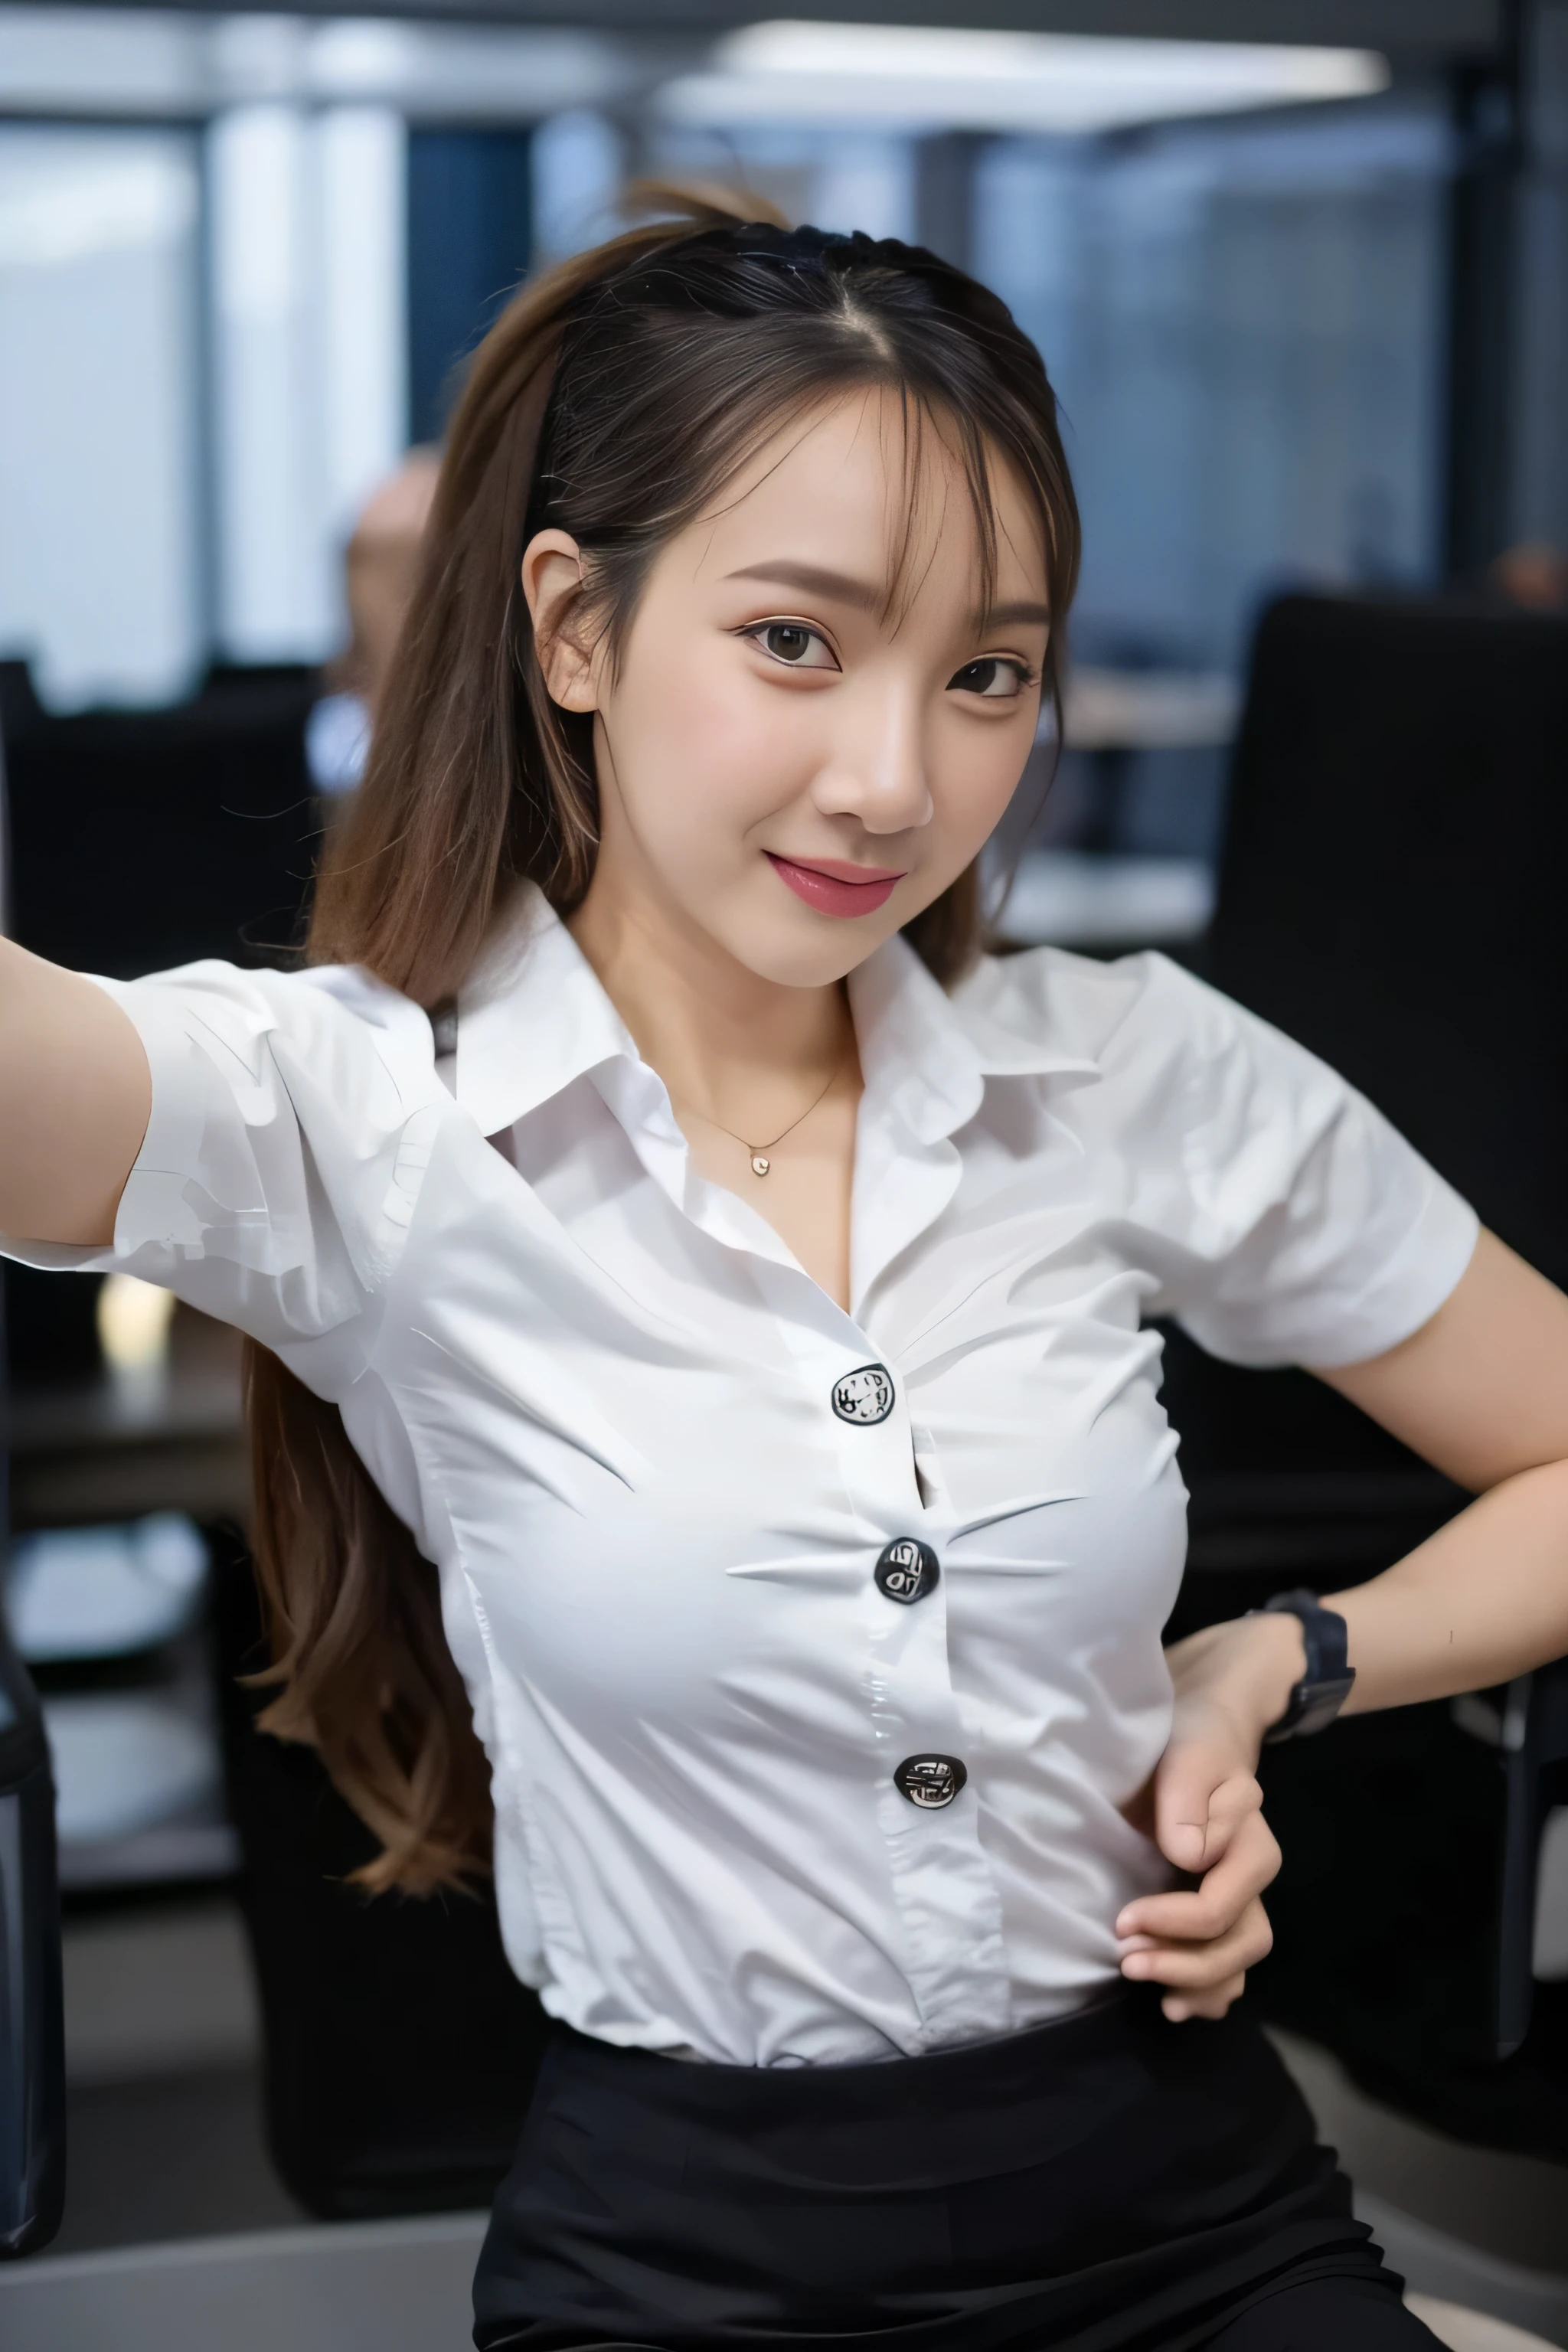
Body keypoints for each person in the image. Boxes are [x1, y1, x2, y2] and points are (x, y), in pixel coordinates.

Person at [3, 191, 1567, 2352]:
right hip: (689, 2258)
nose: (895, 779)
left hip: (1189, 2203)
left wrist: (1276, 1661)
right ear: (573, 627)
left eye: (988, 673)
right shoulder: (361, 1120)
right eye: (796, 641)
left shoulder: (1122, 1071)